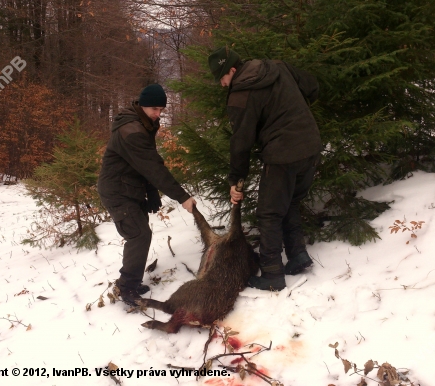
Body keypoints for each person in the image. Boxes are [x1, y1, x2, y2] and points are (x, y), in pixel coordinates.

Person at [208, 46, 322, 291]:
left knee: (269, 213)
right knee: (289, 202)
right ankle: (298, 257)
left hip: (283, 155)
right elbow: (312, 87)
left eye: (222, 78)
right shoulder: (277, 66)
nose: (223, 85)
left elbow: (241, 143)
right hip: (311, 145)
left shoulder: (241, 96)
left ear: (232, 69)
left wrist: (236, 179)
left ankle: (272, 274)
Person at [97, 83, 196, 305]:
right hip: (117, 191)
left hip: (131, 188)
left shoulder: (144, 123)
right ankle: (127, 288)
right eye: (154, 109)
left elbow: (145, 161)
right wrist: (182, 197)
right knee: (139, 235)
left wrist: (151, 192)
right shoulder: (131, 131)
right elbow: (152, 166)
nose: (158, 114)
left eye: (161, 109)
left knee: (141, 235)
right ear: (142, 105)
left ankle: (130, 282)